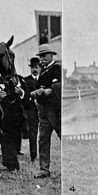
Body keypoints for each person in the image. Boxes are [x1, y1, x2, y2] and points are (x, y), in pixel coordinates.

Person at [32, 44, 61, 179]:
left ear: (51, 55)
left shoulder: (58, 68)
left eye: (44, 56)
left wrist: (51, 90)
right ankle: (44, 169)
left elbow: (62, 85)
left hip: (55, 110)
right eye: (40, 56)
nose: (41, 59)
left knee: (62, 136)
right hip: (43, 110)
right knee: (43, 139)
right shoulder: (43, 71)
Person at [23, 56, 41, 163]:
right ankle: (33, 156)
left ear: (40, 68)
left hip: (44, 110)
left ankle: (44, 155)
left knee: (44, 134)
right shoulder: (26, 80)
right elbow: (25, 96)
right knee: (32, 134)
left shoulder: (44, 79)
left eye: (37, 67)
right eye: (33, 67)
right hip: (32, 111)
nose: (34, 69)